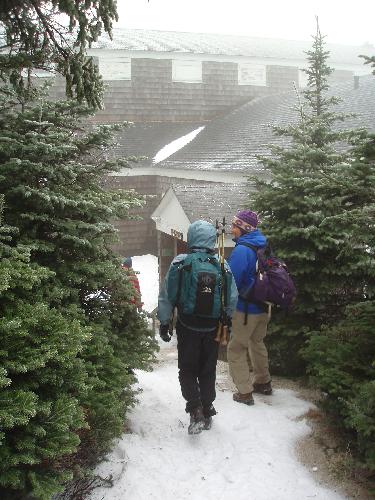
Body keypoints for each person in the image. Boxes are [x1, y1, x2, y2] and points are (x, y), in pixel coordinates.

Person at [157, 220, 238, 434]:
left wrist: (165, 322)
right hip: (212, 327)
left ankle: (195, 410)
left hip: (188, 325)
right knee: (207, 368)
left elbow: (167, 295)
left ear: (191, 237)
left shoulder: (180, 262)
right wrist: (227, 319)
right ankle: (208, 406)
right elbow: (232, 296)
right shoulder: (222, 264)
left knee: (188, 368)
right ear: (212, 239)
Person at [227, 210, 272, 406]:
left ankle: (245, 392)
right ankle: (263, 381)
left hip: (245, 310)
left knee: (236, 348)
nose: (231, 229)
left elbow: (232, 282)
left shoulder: (242, 251)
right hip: (264, 306)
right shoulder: (263, 244)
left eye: (235, 226)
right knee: (257, 342)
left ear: (244, 228)